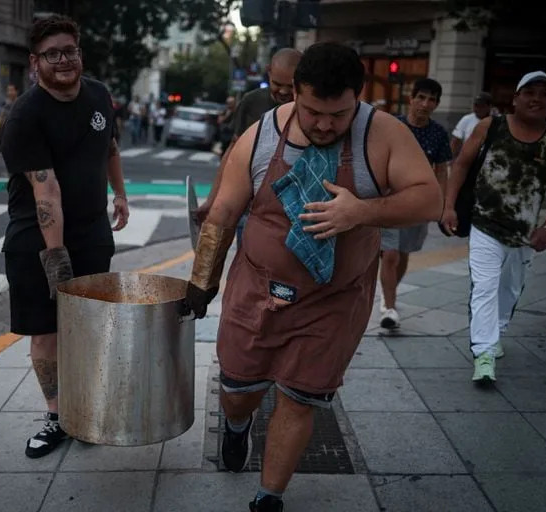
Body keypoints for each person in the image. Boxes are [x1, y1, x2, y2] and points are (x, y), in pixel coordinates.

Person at [181, 42, 442, 512]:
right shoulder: (261, 135)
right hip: (256, 289)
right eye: (312, 111)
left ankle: (269, 496)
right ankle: (237, 427)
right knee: (239, 389)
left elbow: (429, 200)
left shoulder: (382, 134)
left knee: (300, 400)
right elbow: (222, 213)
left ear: (357, 100)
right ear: (294, 95)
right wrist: (204, 282)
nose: (324, 124)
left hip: (333, 300)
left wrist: (362, 210)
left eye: (338, 114)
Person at [0, 15, 130, 458]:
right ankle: (57, 416)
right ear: (35, 63)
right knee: (47, 333)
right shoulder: (25, 117)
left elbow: (109, 146)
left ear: (80, 54)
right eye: (52, 54)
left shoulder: (98, 94)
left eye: (69, 51)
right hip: (37, 241)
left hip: (92, 233)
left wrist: (121, 196)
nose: (63, 61)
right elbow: (45, 190)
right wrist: (55, 259)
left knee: (89, 327)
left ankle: (84, 409)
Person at [441, 71, 546, 383]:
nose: (536, 99)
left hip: (525, 235)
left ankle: (496, 332)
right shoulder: (491, 126)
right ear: (515, 98)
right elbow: (461, 163)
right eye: (529, 92)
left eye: (544, 94)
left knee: (510, 290)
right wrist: (448, 206)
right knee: (485, 287)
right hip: (484, 224)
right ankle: (484, 353)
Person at [195, 48, 303, 231]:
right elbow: (233, 154)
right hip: (252, 209)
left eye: (291, 86)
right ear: (269, 72)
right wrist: (212, 201)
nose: (284, 92)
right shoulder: (251, 102)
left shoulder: (310, 108)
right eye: (277, 83)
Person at [379, 78, 452, 329]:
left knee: (403, 253)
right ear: (411, 99)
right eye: (421, 97)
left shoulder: (439, 134)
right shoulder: (393, 126)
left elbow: (441, 170)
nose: (425, 104)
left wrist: (441, 205)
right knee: (388, 254)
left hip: (418, 204)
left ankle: (389, 293)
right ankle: (389, 308)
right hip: (389, 200)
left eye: (432, 100)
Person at [451, 92, 493, 157]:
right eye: (476, 105)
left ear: (489, 107)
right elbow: (455, 142)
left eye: (481, 106)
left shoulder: (495, 121)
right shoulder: (466, 119)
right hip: (467, 157)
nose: (477, 109)